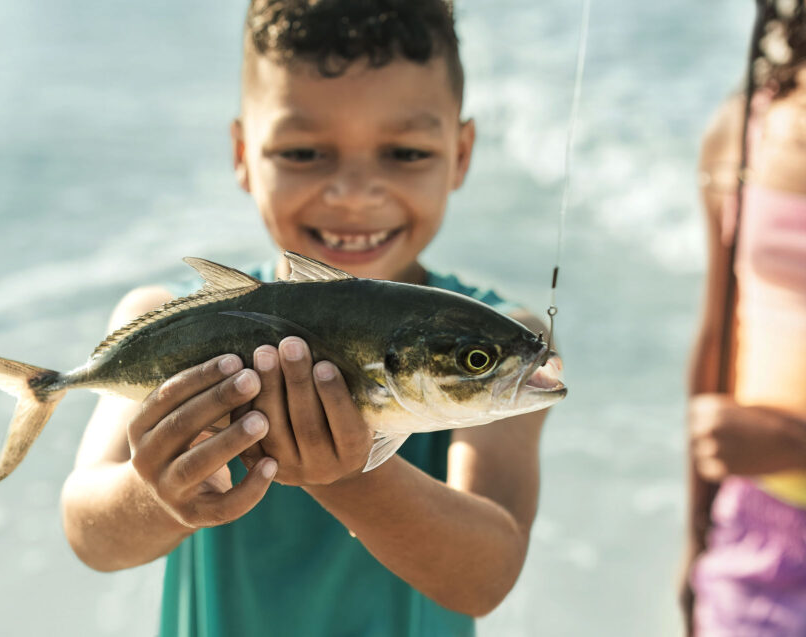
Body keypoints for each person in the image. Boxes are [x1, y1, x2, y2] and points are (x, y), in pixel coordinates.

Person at [61, 2, 554, 635]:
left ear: (461, 153)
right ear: (243, 153)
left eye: (404, 152)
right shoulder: (163, 317)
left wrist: (348, 475)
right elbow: (90, 535)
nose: (353, 191)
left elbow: (484, 578)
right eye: (303, 152)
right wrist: (158, 492)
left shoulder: (496, 338)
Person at [684, 3, 806, 634]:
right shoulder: (741, 131)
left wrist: (795, 445)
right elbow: (715, 344)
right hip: (757, 539)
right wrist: (694, 540)